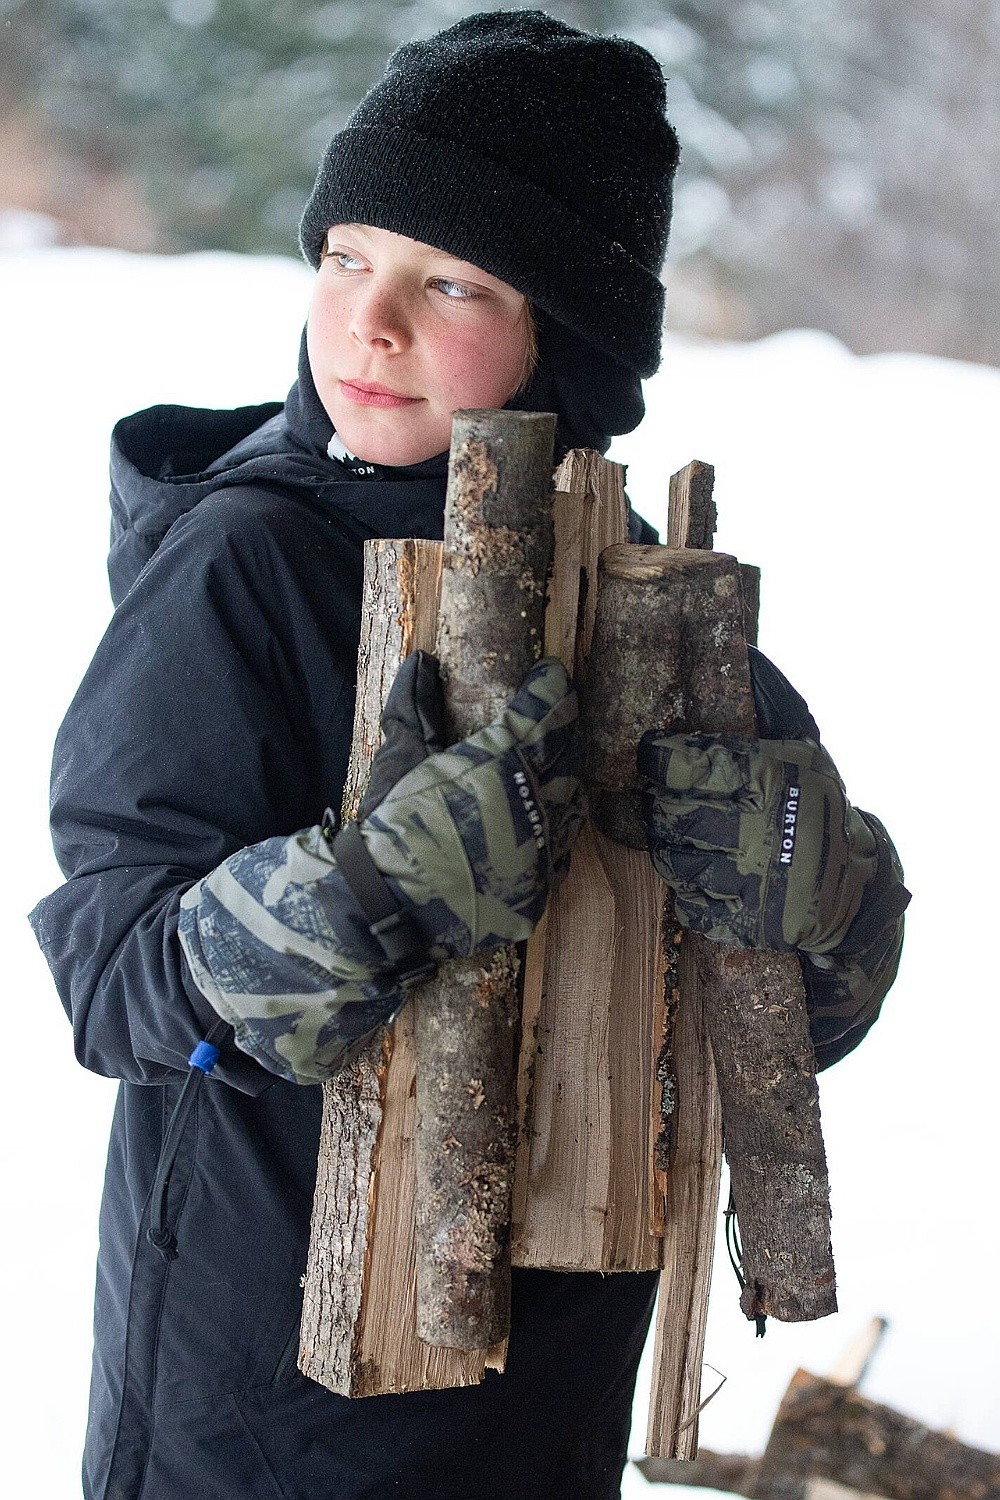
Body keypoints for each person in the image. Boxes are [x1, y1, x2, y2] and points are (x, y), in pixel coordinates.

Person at [29, 11, 909, 1500]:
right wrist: (362, 893)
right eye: (344, 257)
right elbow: (115, 981)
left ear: (560, 334)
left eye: (450, 281)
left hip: (546, 1408)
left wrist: (828, 899)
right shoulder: (248, 569)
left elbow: (800, 1010)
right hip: (255, 1417)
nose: (369, 321)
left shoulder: (652, 611)